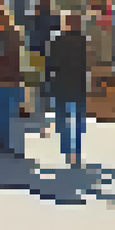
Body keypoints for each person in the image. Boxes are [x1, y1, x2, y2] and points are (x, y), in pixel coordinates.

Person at [48, 12, 91, 167]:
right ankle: (77, 150)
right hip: (78, 84)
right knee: (78, 119)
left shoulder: (57, 40)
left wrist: (47, 81)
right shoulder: (83, 41)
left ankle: (66, 147)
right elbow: (87, 63)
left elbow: (51, 63)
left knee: (62, 117)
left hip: (61, 83)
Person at [0, 9, 26, 155]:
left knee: (6, 112)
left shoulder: (9, 35)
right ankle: (0, 142)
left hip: (8, 78)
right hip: (0, 78)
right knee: (0, 112)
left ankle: (9, 144)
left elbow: (4, 56)